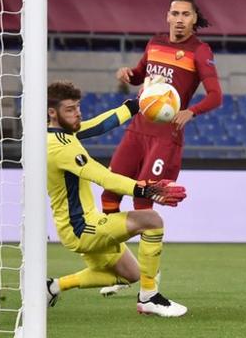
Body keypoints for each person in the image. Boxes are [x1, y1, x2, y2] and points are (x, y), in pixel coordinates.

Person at [45, 80, 189, 317]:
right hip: (82, 228)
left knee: (131, 274)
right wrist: (145, 189)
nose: (77, 113)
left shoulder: (57, 132)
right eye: (70, 109)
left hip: (75, 226)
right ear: (53, 112)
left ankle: (53, 286)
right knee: (152, 220)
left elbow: (100, 125)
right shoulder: (60, 146)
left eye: (78, 107)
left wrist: (136, 105)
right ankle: (149, 297)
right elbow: (104, 177)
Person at [101, 0, 222, 212]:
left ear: (194, 18)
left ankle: (150, 247)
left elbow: (216, 96)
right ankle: (114, 248)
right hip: (137, 129)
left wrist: (191, 112)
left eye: (185, 14)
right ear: (167, 16)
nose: (179, 19)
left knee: (144, 197)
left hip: (165, 135)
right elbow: (139, 75)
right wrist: (127, 74)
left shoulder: (200, 51)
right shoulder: (155, 43)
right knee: (110, 192)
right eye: (175, 13)